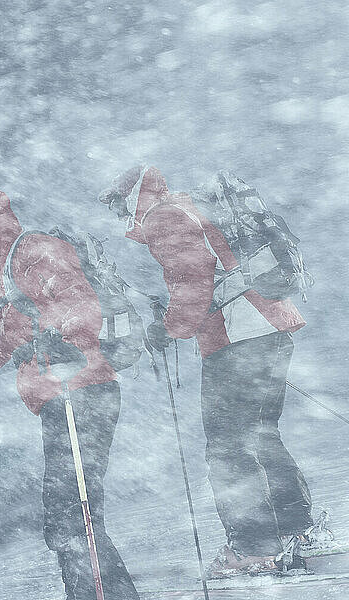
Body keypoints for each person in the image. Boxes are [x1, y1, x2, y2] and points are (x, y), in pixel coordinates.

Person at [0, 183, 140, 600]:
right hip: (59, 397)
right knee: (68, 513)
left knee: (73, 513)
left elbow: (79, 302)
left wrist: (66, 338)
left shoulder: (34, 250)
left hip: (81, 391)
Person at [99, 165, 315, 577]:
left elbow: (194, 282)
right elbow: (206, 272)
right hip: (269, 327)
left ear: (131, 197)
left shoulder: (163, 216)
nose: (117, 216)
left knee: (228, 447)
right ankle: (295, 529)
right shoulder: (187, 206)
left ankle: (254, 547)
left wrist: (168, 327)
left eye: (115, 204)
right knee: (261, 435)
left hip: (239, 337)